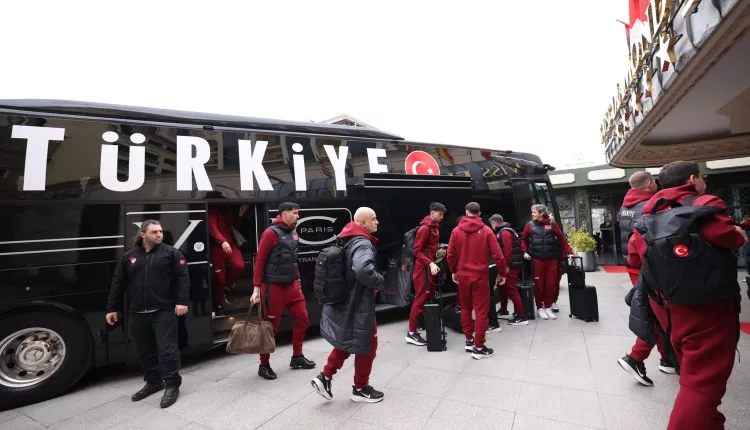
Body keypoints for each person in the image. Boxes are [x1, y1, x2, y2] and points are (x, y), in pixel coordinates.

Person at [629, 161, 747, 429]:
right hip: (709, 305)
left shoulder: (648, 212)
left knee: (693, 373)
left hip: (669, 303)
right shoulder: (704, 203)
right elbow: (728, 237)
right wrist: (739, 234)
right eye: (702, 177)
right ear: (693, 179)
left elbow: (636, 254)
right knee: (702, 384)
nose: (704, 181)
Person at [105, 220, 190, 409]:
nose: (159, 234)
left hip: (163, 311)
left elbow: (183, 278)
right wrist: (112, 308)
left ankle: (172, 385)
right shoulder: (129, 257)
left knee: (168, 351)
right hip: (137, 313)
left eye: (160, 231)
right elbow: (118, 283)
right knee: (144, 351)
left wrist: (181, 301)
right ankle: (154, 381)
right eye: (154, 232)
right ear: (143, 234)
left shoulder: (171, 253)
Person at [313, 207, 385, 403]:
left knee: (350, 339)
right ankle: (360, 388)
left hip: (347, 298)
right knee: (367, 344)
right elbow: (362, 270)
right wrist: (380, 280)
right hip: (359, 302)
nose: (377, 222)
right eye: (373, 219)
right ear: (362, 223)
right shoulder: (363, 243)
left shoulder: (347, 237)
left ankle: (325, 376)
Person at [616, 171, 677, 385]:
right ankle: (637, 357)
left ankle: (667, 358)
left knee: (653, 311)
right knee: (657, 314)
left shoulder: (626, 207)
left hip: (635, 266)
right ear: (650, 183)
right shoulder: (650, 206)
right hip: (649, 267)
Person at [250, 202, 315, 380]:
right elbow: (259, 261)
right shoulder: (270, 233)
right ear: (284, 214)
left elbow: (293, 260)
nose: (297, 216)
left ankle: (297, 357)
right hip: (273, 288)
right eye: (294, 213)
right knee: (270, 328)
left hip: (292, 286)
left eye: (298, 213)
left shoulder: (294, 233)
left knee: (303, 319)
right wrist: (256, 289)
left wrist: (298, 280)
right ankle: (264, 365)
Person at [447, 202, 507, 360]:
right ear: (479, 213)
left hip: (463, 275)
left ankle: (469, 340)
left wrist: (454, 271)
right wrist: (502, 273)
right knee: (481, 312)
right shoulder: (486, 230)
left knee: (466, 308)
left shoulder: (456, 231)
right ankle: (479, 347)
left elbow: (450, 254)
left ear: (466, 212)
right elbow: (498, 255)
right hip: (480, 276)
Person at [520, 204, 573, 320]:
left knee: (551, 284)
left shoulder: (552, 224)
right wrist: (524, 252)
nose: (532, 214)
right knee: (539, 285)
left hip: (551, 259)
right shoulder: (529, 225)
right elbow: (523, 239)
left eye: (534, 212)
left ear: (541, 213)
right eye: (532, 212)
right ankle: (540, 307)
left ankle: (548, 307)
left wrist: (570, 252)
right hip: (537, 258)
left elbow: (562, 239)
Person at [406, 202, 446, 346]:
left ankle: (431, 326)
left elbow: (430, 248)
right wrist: (430, 263)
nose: (442, 217)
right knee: (420, 299)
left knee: (430, 297)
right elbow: (416, 251)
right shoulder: (425, 228)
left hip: (430, 268)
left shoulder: (434, 227)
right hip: (423, 269)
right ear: (432, 213)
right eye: (440, 214)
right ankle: (411, 333)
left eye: (443, 215)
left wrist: (439, 253)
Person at [208, 204, 248, 316]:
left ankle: (227, 286)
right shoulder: (213, 212)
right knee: (219, 279)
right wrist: (222, 241)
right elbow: (212, 228)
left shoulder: (228, 211)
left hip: (231, 245)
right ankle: (219, 305)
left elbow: (235, 227)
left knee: (239, 265)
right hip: (217, 247)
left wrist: (240, 214)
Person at [490, 214, 528, 326]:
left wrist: (505, 266)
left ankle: (521, 316)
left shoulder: (505, 233)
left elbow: (508, 251)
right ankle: (503, 310)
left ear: (494, 223)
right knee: (501, 287)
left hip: (510, 266)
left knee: (512, 290)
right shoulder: (506, 230)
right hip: (511, 265)